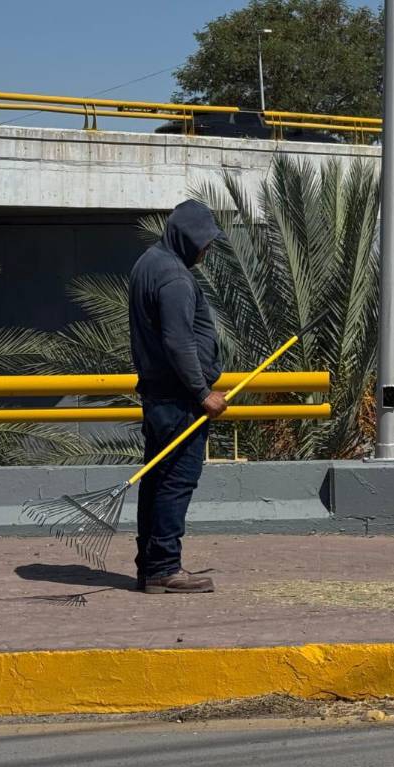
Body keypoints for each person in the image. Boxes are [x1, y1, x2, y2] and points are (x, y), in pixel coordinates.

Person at [128, 199, 229, 593]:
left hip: (159, 396)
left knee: (156, 481)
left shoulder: (147, 263)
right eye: (205, 243)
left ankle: (150, 563)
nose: (208, 250)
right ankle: (164, 567)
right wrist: (203, 394)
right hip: (178, 401)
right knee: (176, 480)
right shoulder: (174, 278)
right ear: (188, 239)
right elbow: (178, 342)